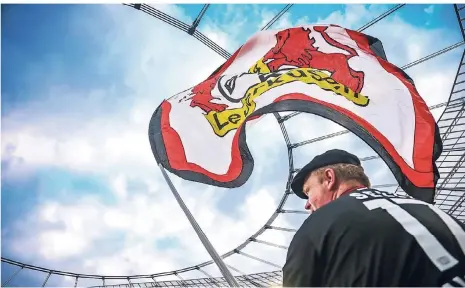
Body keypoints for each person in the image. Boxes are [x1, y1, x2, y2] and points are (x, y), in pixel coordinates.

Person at [282, 149, 465, 287]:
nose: (307, 204)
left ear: (329, 178)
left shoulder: (318, 227)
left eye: (308, 192)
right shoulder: (426, 209)